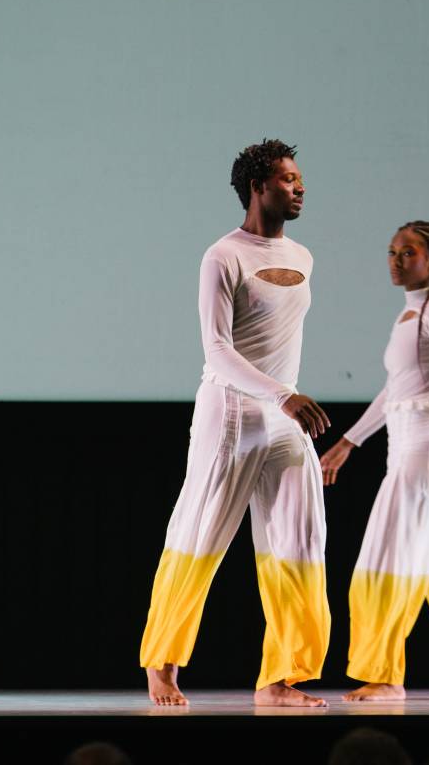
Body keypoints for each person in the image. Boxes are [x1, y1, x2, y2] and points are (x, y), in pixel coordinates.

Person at [140, 139, 332, 707]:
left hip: (282, 419)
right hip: (231, 413)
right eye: (288, 179)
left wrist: (286, 402)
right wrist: (284, 395)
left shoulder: (303, 257)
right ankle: (163, 663)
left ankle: (282, 677)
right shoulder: (222, 256)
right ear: (258, 187)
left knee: (299, 539)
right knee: (200, 535)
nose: (299, 188)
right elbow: (217, 351)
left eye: (300, 179)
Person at [319, 221, 429, 702]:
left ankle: (386, 674)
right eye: (393, 252)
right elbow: (393, 393)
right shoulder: (407, 316)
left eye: (409, 252)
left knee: (386, 558)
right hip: (404, 443)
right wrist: (348, 442)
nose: (397, 260)